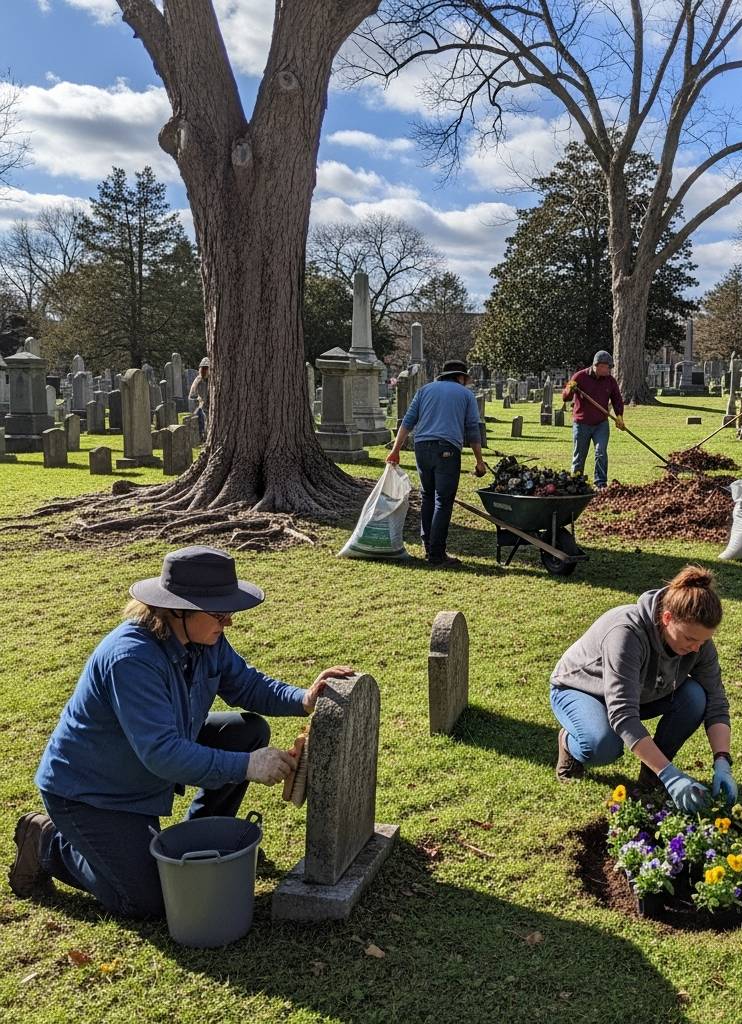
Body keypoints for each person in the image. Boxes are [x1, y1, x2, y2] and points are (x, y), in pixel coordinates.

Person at [8, 546, 356, 919]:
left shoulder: (205, 638)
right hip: (91, 794)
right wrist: (247, 767)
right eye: (220, 614)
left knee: (246, 732)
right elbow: (162, 754)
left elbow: (246, 685)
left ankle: (200, 841)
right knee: (155, 901)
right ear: (177, 609)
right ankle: (46, 841)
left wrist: (302, 698)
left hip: (144, 773)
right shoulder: (131, 659)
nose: (228, 624)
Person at [550, 566, 737, 811]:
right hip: (581, 690)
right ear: (667, 618)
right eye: (690, 639)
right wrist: (671, 775)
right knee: (603, 746)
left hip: (641, 692)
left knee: (695, 697)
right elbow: (623, 714)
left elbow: (716, 701)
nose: (696, 648)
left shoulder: (698, 643)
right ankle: (569, 745)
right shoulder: (626, 634)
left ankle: (652, 775)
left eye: (702, 641)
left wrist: (722, 760)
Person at [387, 359, 487, 569]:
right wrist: (479, 461)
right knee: (443, 499)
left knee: (427, 496)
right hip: (447, 449)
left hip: (422, 447)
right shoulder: (466, 395)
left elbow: (408, 421)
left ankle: (428, 546)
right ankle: (437, 553)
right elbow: (473, 429)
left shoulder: (424, 390)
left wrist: (396, 450)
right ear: (460, 377)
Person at [562, 350, 626, 489]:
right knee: (579, 455)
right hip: (581, 424)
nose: (609, 370)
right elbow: (565, 397)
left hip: (601, 424)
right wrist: (570, 389)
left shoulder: (610, 381)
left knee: (601, 452)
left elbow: (617, 400)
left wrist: (619, 416)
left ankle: (600, 483)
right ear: (598, 365)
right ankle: (576, 482)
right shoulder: (580, 377)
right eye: (608, 367)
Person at [188, 357, 210, 442]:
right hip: (203, 406)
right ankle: (203, 438)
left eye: (207, 368)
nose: (205, 370)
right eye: (204, 368)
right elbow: (192, 394)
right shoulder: (198, 379)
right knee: (202, 422)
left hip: (212, 406)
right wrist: (199, 401)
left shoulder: (213, 379)